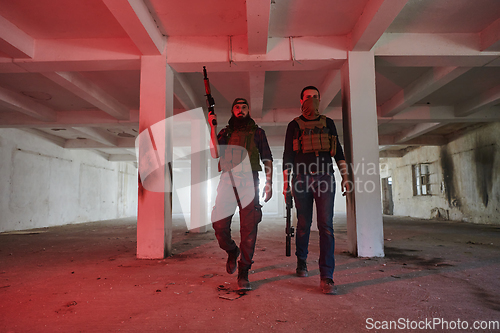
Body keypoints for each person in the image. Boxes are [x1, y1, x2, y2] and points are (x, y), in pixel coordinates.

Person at [282, 86, 349, 295]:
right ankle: (302, 261)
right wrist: (286, 183)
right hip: (301, 178)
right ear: (301, 101)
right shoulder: (293, 125)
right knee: (303, 225)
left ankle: (326, 276)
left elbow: (338, 151)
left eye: (315, 97)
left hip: (325, 178)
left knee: (326, 227)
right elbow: (287, 156)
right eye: (308, 97)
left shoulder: (328, 123)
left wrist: (346, 176)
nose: (312, 100)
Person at [209, 98, 273, 291]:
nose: (240, 110)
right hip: (227, 180)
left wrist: (269, 182)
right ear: (232, 110)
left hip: (249, 181)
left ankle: (244, 271)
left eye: (244, 107)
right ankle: (231, 250)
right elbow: (214, 153)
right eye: (237, 107)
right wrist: (212, 126)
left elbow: (267, 157)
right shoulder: (225, 132)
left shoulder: (258, 133)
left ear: (248, 110)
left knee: (249, 229)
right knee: (219, 226)